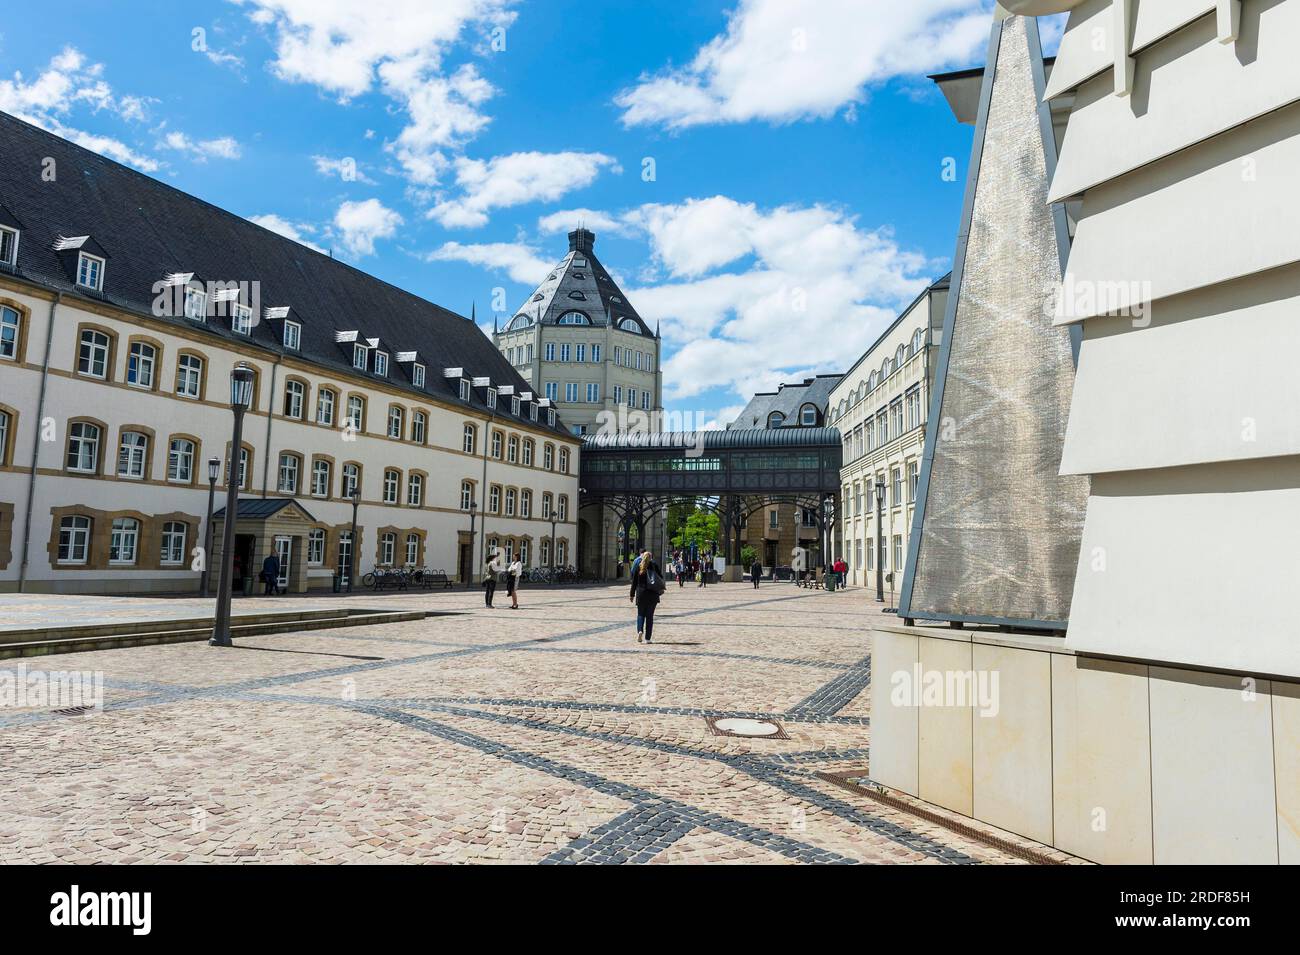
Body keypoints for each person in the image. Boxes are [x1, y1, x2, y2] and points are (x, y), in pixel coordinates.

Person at [630, 547, 663, 644]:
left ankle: (640, 631)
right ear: (651, 557)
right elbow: (660, 578)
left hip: (641, 594)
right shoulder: (655, 565)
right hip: (653, 594)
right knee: (650, 616)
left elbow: (634, 582)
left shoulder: (639, 566)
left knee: (640, 614)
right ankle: (648, 638)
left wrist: (632, 595)